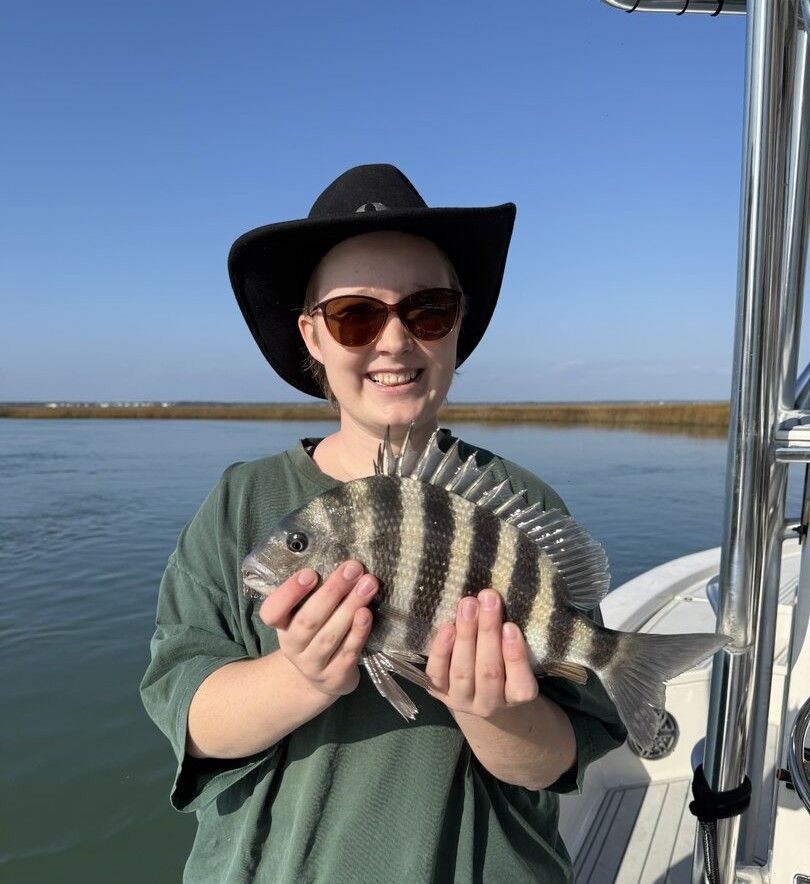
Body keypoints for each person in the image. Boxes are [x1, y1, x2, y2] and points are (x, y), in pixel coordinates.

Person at [140, 164, 626, 883]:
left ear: (457, 326)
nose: (394, 341)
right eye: (356, 316)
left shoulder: (518, 504)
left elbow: (556, 757)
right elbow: (191, 716)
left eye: (427, 311)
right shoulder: (239, 503)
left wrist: (490, 710)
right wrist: (301, 675)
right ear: (312, 336)